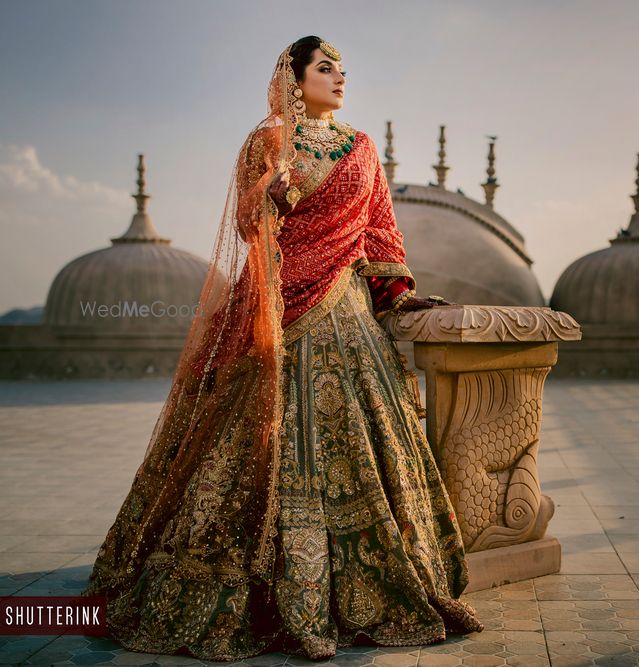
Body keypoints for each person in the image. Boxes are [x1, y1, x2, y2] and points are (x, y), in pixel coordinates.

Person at [82, 36, 485, 661]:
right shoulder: (265, 142)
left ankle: (369, 586)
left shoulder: (361, 148)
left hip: (345, 309)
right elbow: (247, 222)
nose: (340, 78)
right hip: (273, 305)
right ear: (294, 80)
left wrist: (398, 295)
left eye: (344, 70)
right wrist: (267, 193)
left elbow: (380, 226)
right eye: (326, 68)